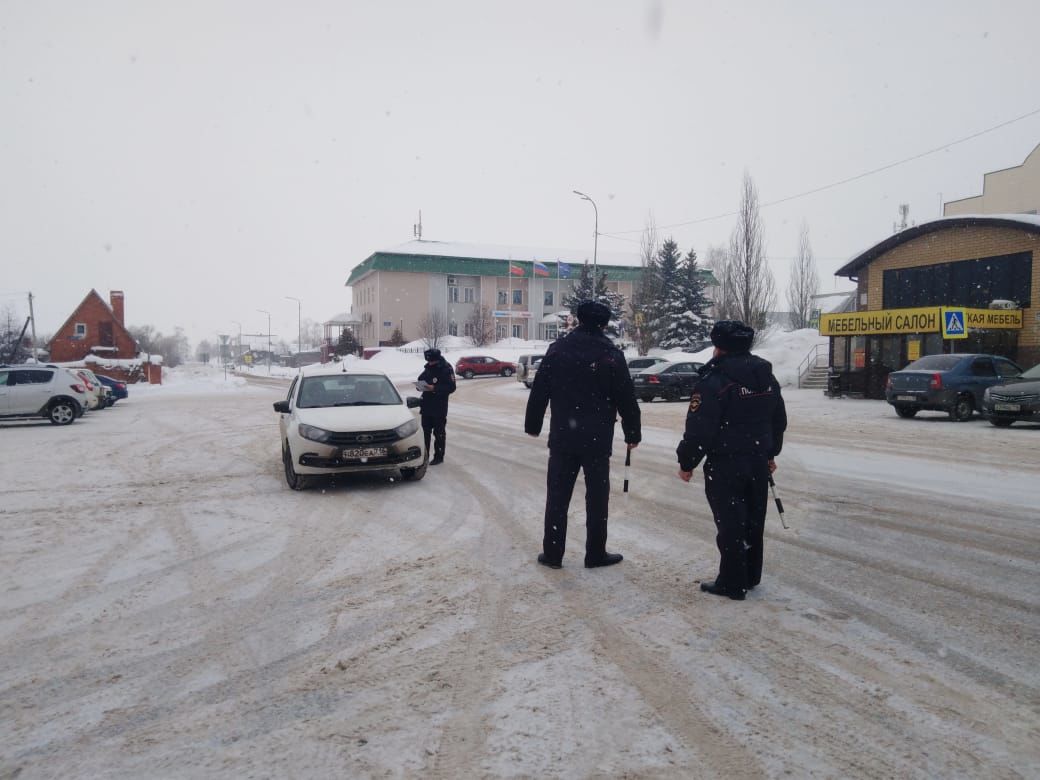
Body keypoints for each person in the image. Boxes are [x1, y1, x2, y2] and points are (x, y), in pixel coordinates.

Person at [676, 320, 787, 600]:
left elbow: (700, 426)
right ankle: (749, 575)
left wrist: (687, 461)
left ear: (719, 347)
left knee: (730, 523)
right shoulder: (765, 375)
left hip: (726, 462)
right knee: (752, 519)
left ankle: (732, 582)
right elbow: (778, 418)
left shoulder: (715, 380)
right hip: (758, 460)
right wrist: (770, 453)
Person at [525, 300, 641, 569]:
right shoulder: (611, 354)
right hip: (598, 438)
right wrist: (632, 432)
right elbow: (626, 396)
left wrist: (533, 425)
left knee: (557, 495)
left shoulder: (558, 350)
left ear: (578, 319)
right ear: (604, 323)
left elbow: (540, 390)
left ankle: (553, 554)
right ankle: (595, 553)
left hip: (564, 436)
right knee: (597, 498)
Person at [417, 347, 456, 465]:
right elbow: (421, 379)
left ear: (437, 359)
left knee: (439, 433)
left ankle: (439, 456)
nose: (429, 363)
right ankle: (425, 456)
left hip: (439, 406)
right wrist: (420, 385)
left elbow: (451, 387)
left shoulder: (446, 368)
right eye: (428, 361)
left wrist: (435, 388)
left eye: (431, 361)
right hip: (426, 405)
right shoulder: (428, 367)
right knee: (425, 432)